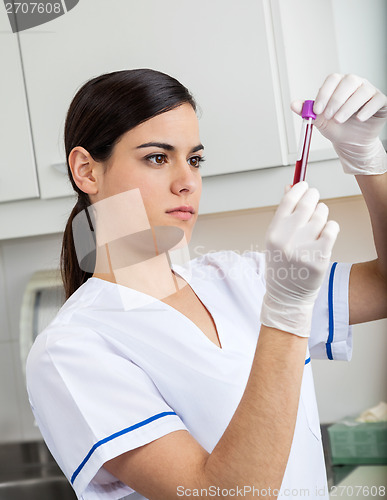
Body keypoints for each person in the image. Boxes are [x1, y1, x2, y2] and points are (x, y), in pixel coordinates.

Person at [26, 69, 387, 500]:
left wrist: (368, 160)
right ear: (86, 171)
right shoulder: (72, 349)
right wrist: (286, 313)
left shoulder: (241, 277)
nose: (187, 182)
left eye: (194, 159)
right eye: (157, 158)